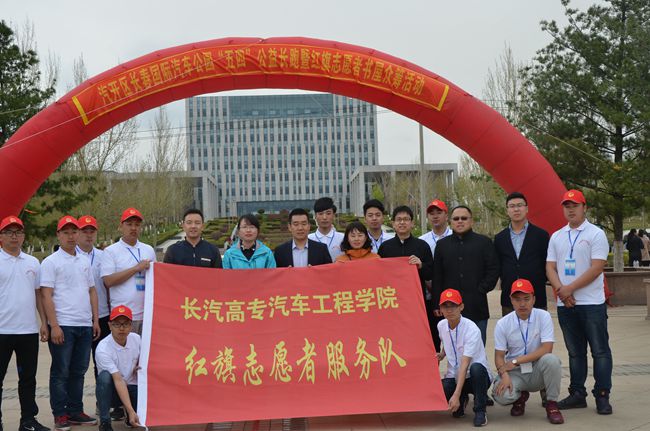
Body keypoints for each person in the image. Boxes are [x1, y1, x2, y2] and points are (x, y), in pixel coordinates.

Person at [546, 189, 613, 415]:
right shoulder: (557, 236)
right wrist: (561, 291)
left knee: (600, 351)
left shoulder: (596, 234)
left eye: (575, 205)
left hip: (592, 303)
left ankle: (602, 395)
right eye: (567, 206)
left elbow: (597, 268)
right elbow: (550, 267)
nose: (570, 209)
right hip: (566, 305)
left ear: (585, 208)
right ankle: (577, 393)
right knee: (575, 353)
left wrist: (569, 289)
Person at [41, 216, 100, 430]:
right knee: (60, 372)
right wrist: (54, 325)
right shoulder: (50, 262)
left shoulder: (84, 261)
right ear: (58, 235)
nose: (71, 236)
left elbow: (92, 291)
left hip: (84, 324)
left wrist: (95, 319)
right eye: (65, 232)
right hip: (63, 324)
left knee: (79, 371)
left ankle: (75, 410)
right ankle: (60, 414)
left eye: (74, 231)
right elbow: (46, 295)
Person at [0, 216, 50, 431]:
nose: (14, 236)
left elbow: (39, 295)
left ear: (23, 236)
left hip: (27, 330)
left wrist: (44, 322)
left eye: (18, 232)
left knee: (28, 379)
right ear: (1, 237)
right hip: (2, 330)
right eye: (9, 232)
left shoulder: (32, 262)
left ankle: (28, 421)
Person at [492, 279, 564, 425]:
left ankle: (552, 404)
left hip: (537, 369)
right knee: (500, 395)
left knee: (552, 360)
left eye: (526, 299)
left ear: (534, 299)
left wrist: (515, 361)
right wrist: (504, 375)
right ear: (511, 300)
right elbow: (499, 356)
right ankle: (520, 398)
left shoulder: (543, 316)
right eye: (517, 299)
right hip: (516, 372)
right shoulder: (503, 324)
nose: (522, 304)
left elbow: (547, 348)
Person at [433, 205, 499, 345]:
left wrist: (481, 289)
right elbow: (437, 276)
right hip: (450, 307)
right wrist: (437, 304)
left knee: (477, 348)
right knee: (454, 349)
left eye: (464, 218)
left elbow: (493, 270)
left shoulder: (484, 243)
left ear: (471, 221)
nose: (460, 221)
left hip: (477, 306)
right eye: (456, 218)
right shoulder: (442, 245)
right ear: (450, 221)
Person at [378, 206, 436, 345]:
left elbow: (431, 272)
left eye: (406, 219)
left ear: (412, 223)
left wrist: (421, 265)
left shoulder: (422, 246)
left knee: (418, 337)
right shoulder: (385, 247)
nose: (402, 222)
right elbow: (379, 275)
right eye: (399, 219)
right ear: (393, 223)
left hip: (416, 301)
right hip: (392, 301)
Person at [436, 288, 491, 427]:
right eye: (445, 306)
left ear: (461, 307)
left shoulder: (471, 329)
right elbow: (448, 341)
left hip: (475, 376)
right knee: (441, 392)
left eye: (454, 306)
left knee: (476, 368)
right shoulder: (441, 325)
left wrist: (455, 395)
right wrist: (442, 354)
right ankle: (462, 397)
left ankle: (480, 410)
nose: (449, 310)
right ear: (440, 309)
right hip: (455, 375)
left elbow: (465, 363)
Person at [101, 208, 157, 335]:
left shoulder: (148, 249)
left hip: (147, 314)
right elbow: (108, 281)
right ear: (121, 227)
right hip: (122, 317)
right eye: (129, 224)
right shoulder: (111, 251)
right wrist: (135, 268)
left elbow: (156, 279)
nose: (133, 228)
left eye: (137, 225)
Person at [494, 192, 550, 316]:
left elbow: (547, 264)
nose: (516, 209)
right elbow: (498, 265)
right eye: (512, 206)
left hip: (536, 296)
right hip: (510, 298)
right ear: (507, 210)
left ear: (527, 209)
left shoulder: (541, 235)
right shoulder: (500, 238)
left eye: (520, 205)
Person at [76, 215, 111, 381]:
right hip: (79, 318)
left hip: (102, 315)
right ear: (77, 233)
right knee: (78, 365)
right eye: (85, 231)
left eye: (92, 231)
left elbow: (108, 285)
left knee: (102, 363)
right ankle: (74, 397)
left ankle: (103, 396)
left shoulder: (104, 256)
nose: (89, 235)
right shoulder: (71, 256)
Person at [95, 306, 141, 431]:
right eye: (117, 324)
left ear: (131, 325)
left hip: (133, 388)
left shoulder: (137, 339)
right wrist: (131, 410)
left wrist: (140, 367)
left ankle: (130, 415)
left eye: (125, 324)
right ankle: (105, 422)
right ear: (110, 325)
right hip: (113, 391)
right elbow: (118, 379)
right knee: (104, 377)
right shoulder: (103, 348)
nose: (121, 328)